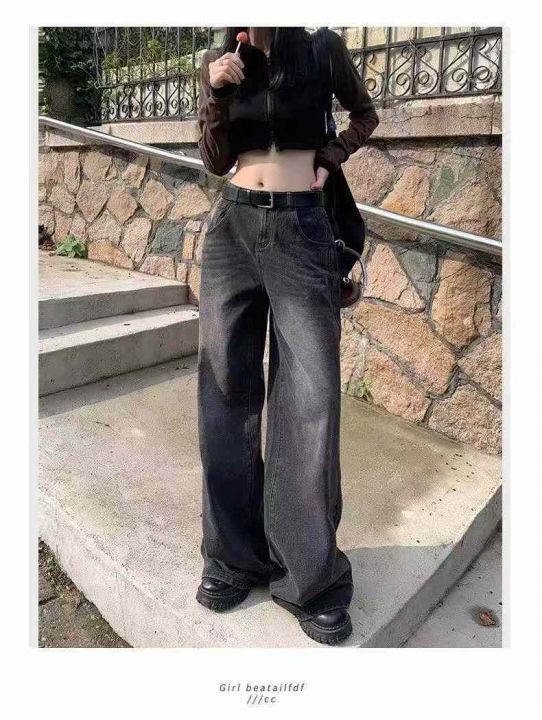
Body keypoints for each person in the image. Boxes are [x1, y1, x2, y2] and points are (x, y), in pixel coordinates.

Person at [195, 26, 379, 645]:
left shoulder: (322, 49)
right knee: (224, 392)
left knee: (310, 398)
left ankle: (311, 580)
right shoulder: (222, 60)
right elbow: (214, 160)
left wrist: (333, 155)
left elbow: (365, 113)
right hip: (232, 231)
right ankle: (232, 558)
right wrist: (216, 92)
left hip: (302, 229)